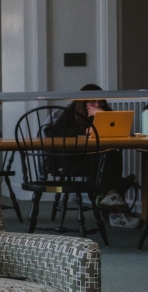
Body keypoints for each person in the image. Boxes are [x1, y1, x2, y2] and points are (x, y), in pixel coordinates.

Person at [43, 83, 139, 228]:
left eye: (100, 101)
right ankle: (114, 202)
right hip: (73, 160)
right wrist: (82, 132)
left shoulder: (102, 110)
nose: (97, 103)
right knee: (109, 159)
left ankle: (112, 198)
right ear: (83, 101)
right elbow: (53, 132)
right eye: (93, 101)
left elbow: (116, 129)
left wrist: (103, 115)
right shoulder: (71, 112)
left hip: (96, 159)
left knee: (111, 154)